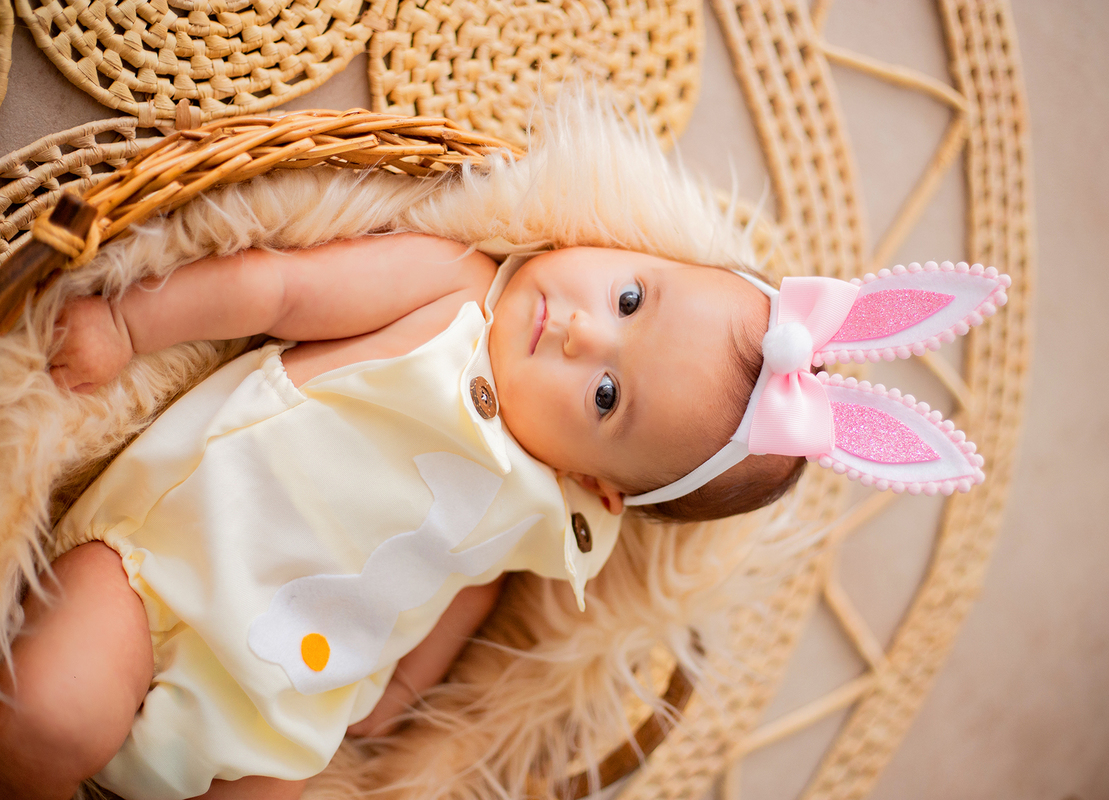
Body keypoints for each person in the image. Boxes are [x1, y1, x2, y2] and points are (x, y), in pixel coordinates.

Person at [0, 98, 1005, 800]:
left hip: (280, 711)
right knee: (50, 711)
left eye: (607, 394)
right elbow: (279, 289)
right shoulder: (451, 289)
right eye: (629, 297)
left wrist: (392, 702)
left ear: (598, 485)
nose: (582, 333)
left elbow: (459, 592)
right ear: (632, 251)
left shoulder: (550, 515)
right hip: (159, 570)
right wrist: (135, 327)